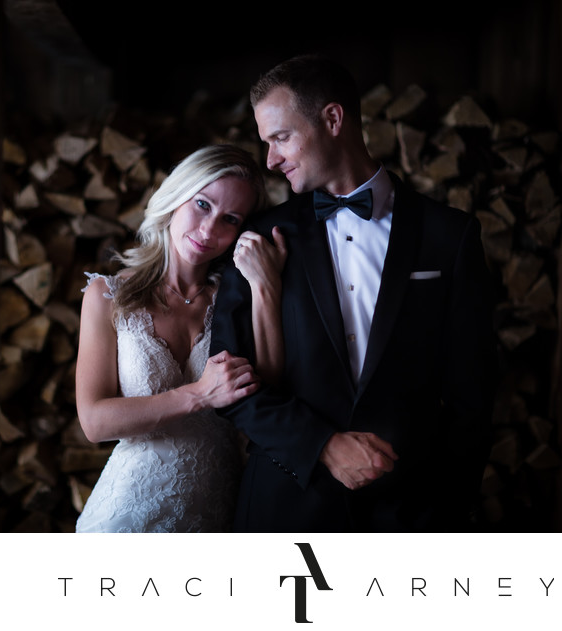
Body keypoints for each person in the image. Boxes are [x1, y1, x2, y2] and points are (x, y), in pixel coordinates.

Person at [210, 54, 498, 532]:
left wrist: (449, 509)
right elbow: (229, 386)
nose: (271, 160)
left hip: (411, 515)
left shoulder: (450, 236)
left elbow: (473, 393)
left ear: (333, 118)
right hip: (284, 507)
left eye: (281, 138)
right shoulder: (259, 238)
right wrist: (320, 444)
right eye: (267, 143)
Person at [74, 144, 285, 532]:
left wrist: (265, 285)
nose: (209, 230)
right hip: (126, 518)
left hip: (217, 514)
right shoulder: (107, 295)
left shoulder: (234, 298)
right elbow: (93, 422)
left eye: (230, 219)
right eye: (202, 204)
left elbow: (269, 385)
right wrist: (200, 394)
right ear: (176, 196)